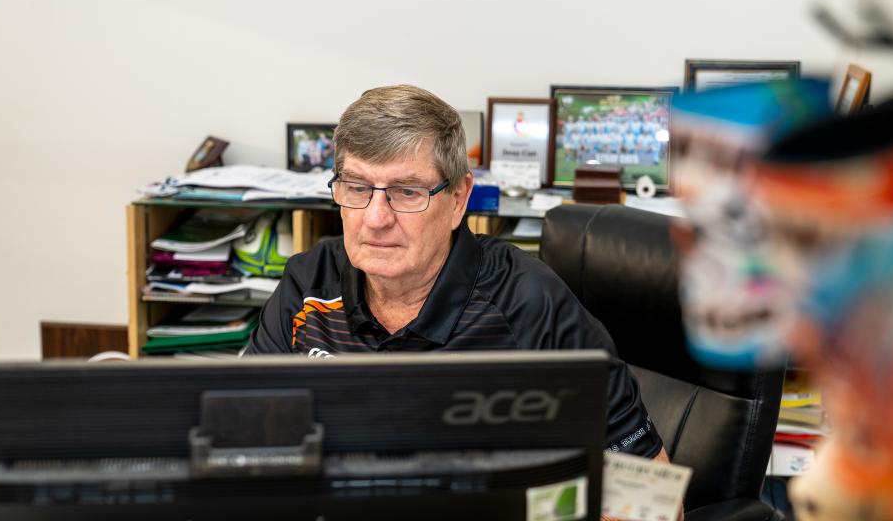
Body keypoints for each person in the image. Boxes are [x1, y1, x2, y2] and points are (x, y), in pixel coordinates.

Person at [246, 84, 670, 465]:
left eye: (406, 192)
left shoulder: (529, 303)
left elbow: (650, 496)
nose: (375, 219)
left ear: (458, 198)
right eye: (357, 188)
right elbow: (242, 434)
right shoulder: (308, 282)